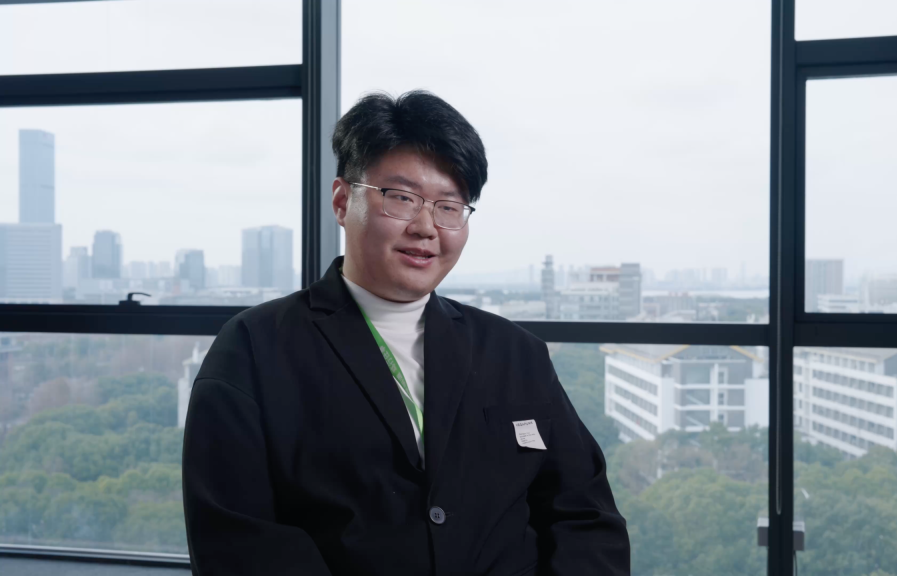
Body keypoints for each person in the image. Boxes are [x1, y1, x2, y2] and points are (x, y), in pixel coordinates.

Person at [182, 90, 629, 575]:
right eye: (401, 198)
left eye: (449, 206)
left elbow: (585, 514)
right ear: (342, 201)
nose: (426, 227)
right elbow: (237, 540)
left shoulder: (516, 353)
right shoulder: (254, 349)